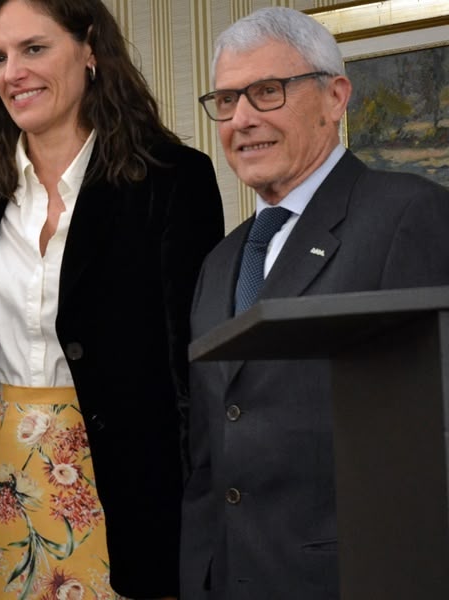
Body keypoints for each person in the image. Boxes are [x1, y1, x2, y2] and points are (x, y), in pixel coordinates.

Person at [0, 1, 225, 598]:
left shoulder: (172, 178)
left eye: (34, 49)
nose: (13, 72)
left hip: (125, 486)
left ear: (90, 48)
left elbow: (193, 366)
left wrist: (202, 515)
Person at [181, 7, 449, 599]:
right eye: (226, 100)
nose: (241, 119)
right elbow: (208, 448)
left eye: (267, 92)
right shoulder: (219, 262)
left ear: (335, 97)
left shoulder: (408, 215)